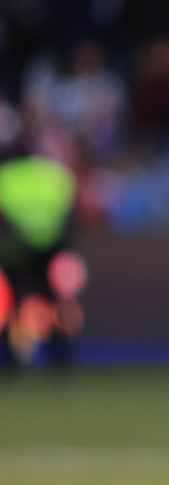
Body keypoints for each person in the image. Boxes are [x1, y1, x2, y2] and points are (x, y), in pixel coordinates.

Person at [0, 140, 87, 370]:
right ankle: (62, 355)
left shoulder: (5, 176)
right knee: (59, 300)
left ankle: (12, 357)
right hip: (55, 247)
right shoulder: (55, 174)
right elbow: (70, 214)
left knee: (13, 304)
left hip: (18, 250)